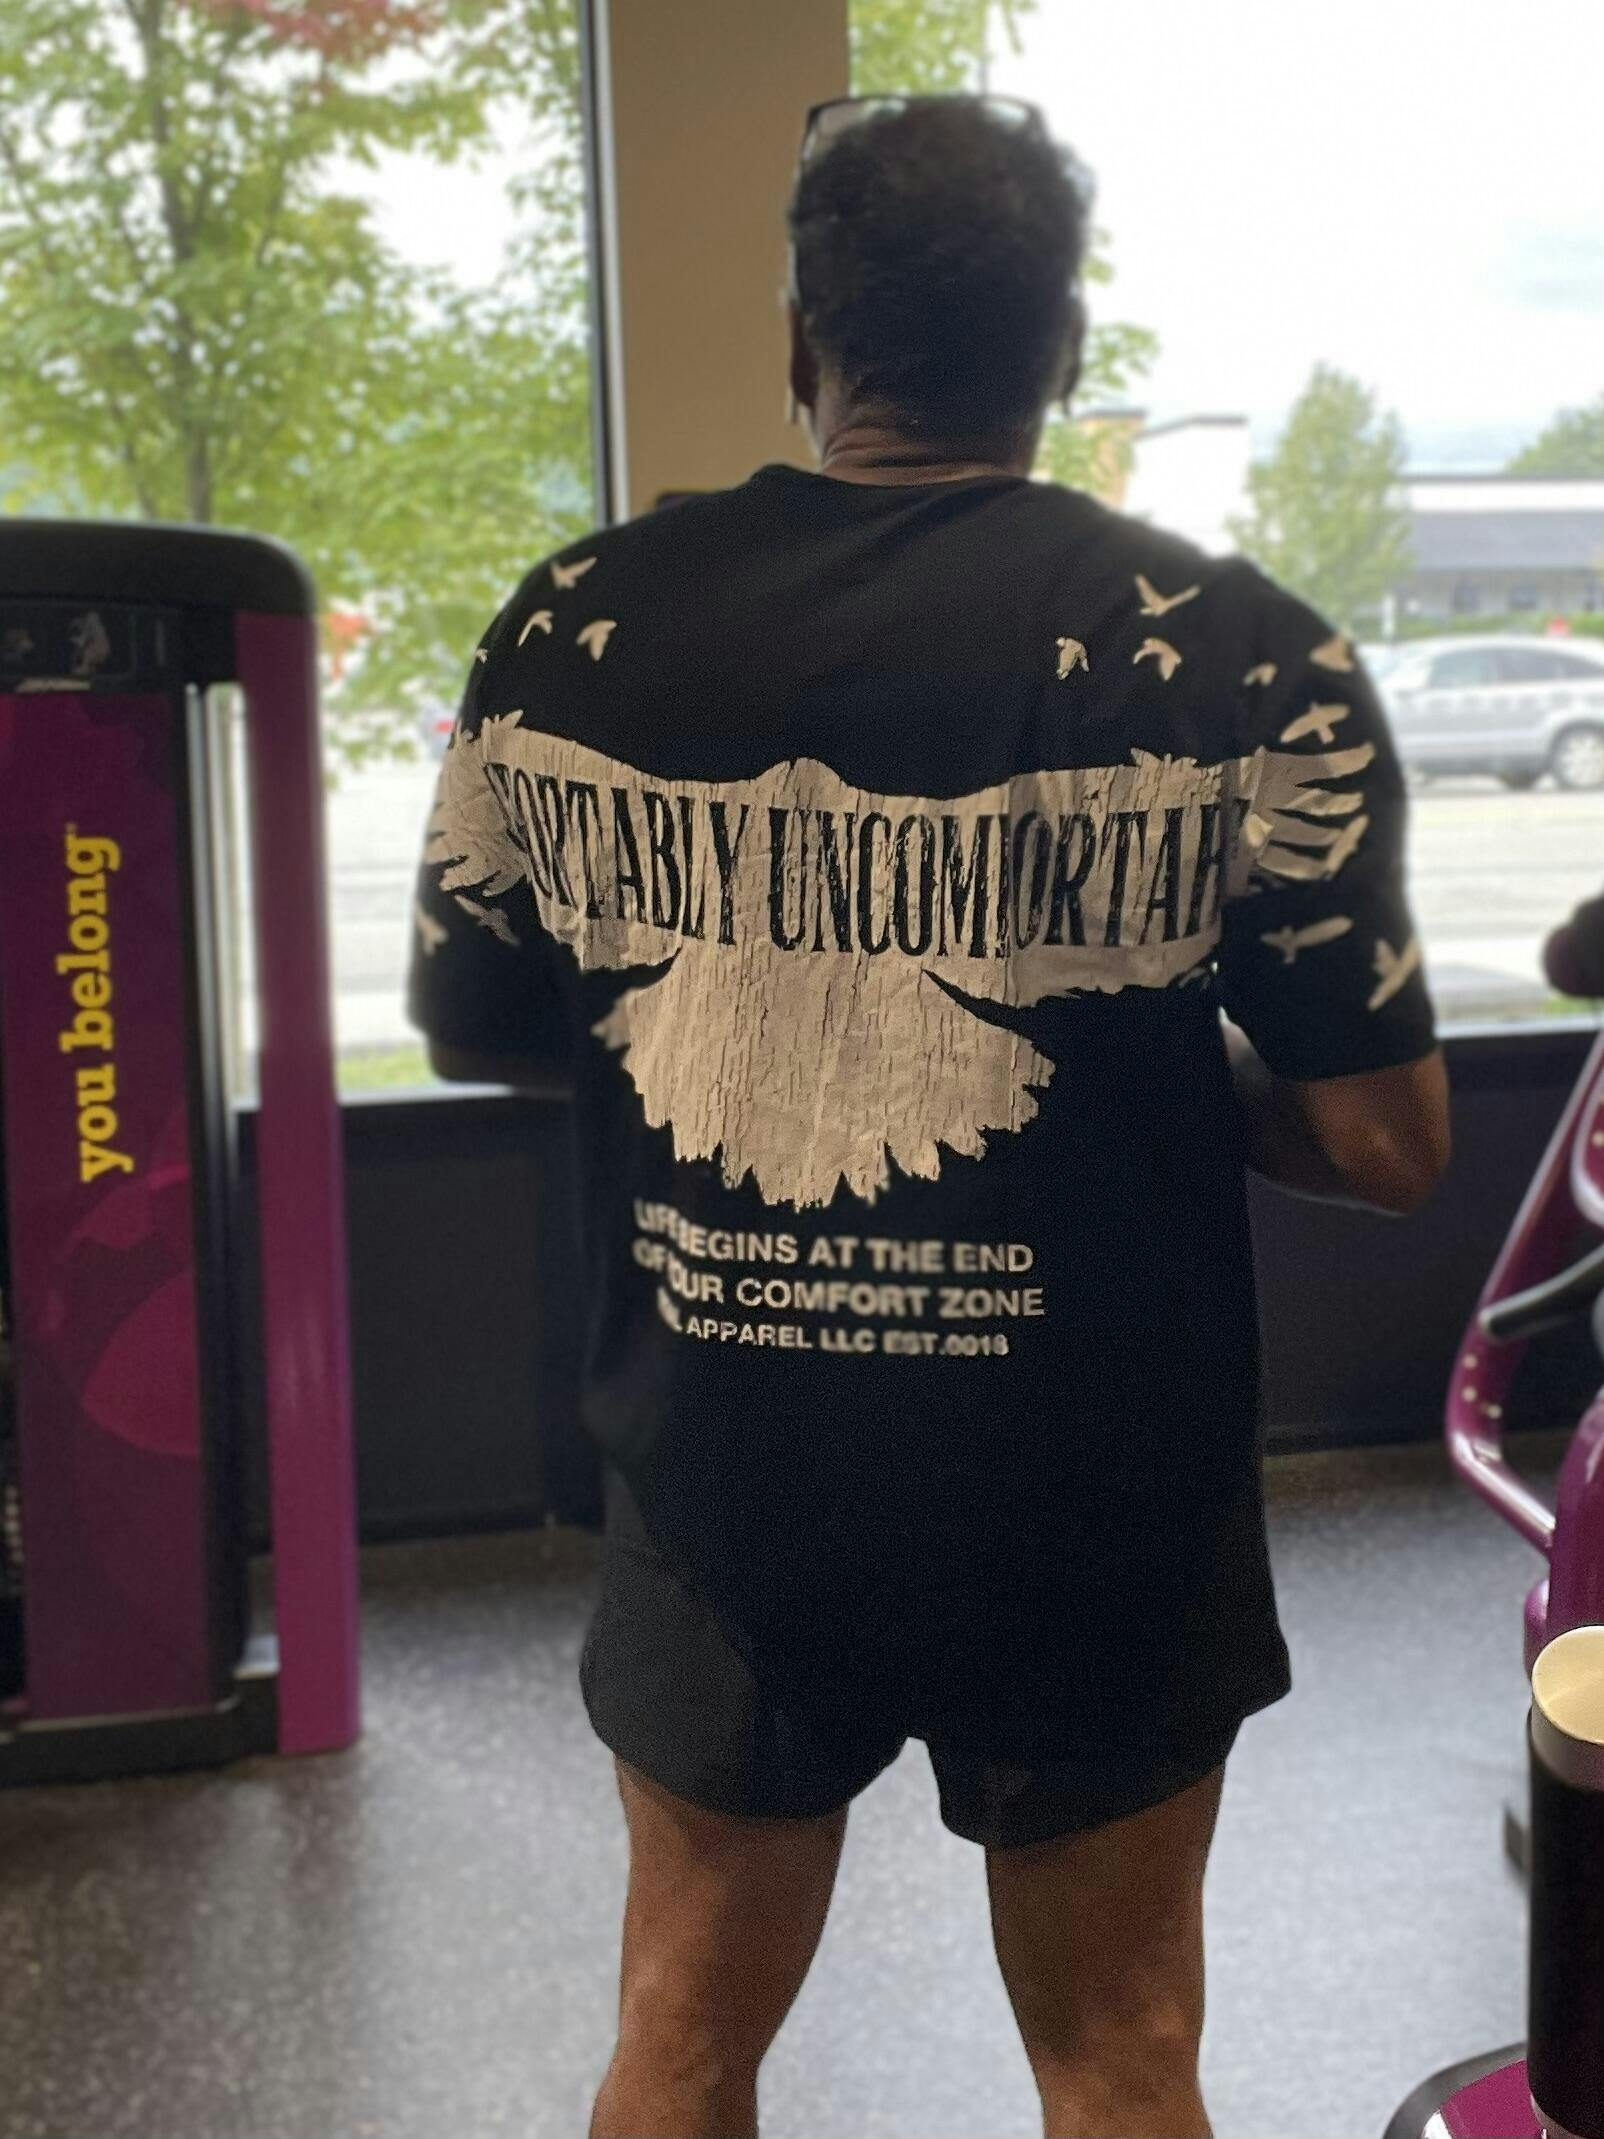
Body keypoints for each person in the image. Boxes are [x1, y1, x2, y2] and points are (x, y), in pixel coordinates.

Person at [406, 95, 1450, 2139]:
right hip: (1094, 1478)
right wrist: (1133, 1052)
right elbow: (1385, 1144)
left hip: (724, 1455)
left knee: (682, 2030)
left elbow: (478, 1023)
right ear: (1063, 351)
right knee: (1120, 2051)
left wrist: (744, 1010)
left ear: (804, 338)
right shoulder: (1247, 660)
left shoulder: (572, 624)